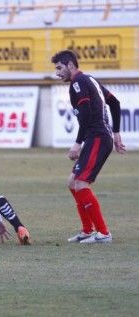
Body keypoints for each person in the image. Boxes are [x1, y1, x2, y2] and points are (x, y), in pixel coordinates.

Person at [51, 50, 126, 244]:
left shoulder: (78, 83)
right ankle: (87, 230)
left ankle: (103, 233)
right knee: (72, 182)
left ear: (70, 65)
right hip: (100, 136)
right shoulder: (89, 79)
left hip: (97, 137)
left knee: (81, 183)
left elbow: (84, 116)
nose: (57, 73)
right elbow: (115, 103)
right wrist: (116, 133)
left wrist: (77, 143)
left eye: (59, 68)